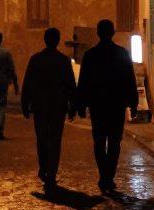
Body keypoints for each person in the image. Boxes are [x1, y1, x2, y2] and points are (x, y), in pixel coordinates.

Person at [76, 19, 139, 194]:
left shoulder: (90, 55)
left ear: (98, 33)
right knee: (114, 142)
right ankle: (108, 176)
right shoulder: (122, 53)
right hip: (116, 105)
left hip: (98, 106)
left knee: (99, 141)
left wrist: (81, 104)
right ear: (112, 33)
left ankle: (103, 174)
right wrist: (133, 103)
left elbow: (84, 82)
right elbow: (129, 80)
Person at [21, 27, 77, 195]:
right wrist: (73, 106)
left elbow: (28, 83)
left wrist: (25, 104)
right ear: (58, 41)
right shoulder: (63, 60)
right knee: (55, 139)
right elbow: (70, 85)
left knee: (42, 138)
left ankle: (43, 167)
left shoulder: (36, 60)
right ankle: (51, 171)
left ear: (45, 40)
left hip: (40, 106)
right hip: (58, 106)